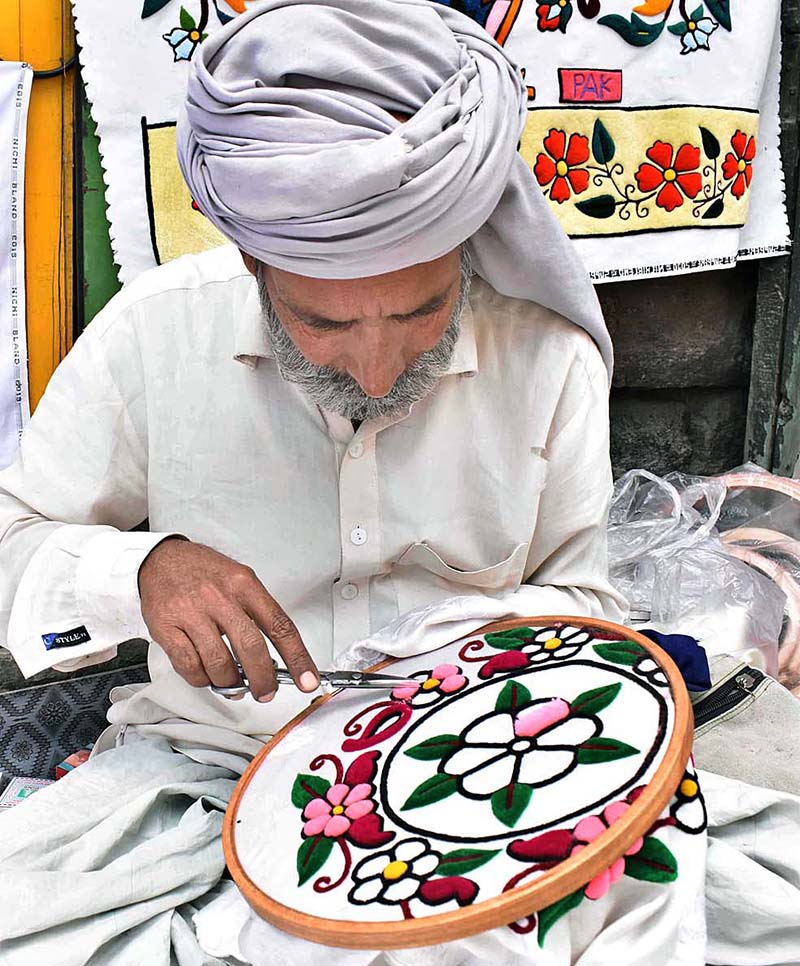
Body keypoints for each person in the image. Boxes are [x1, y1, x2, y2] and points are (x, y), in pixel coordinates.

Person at [0, 1, 650, 962]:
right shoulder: (153, 334)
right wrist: (141, 572)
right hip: (196, 769)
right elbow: (14, 546)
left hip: (473, 770)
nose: (380, 370)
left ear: (467, 248)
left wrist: (453, 654)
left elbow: (591, 605)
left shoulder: (547, 356)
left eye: (424, 312)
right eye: (326, 327)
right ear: (256, 265)